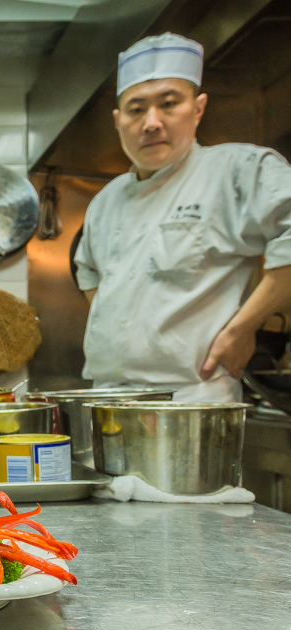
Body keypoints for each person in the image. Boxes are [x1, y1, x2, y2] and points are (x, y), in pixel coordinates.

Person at [74, 32, 291, 402]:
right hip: (108, 399)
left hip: (193, 400)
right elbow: (88, 270)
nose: (152, 122)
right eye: (136, 108)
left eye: (169, 103)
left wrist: (242, 328)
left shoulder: (237, 171)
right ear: (117, 119)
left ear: (198, 108)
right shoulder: (106, 201)